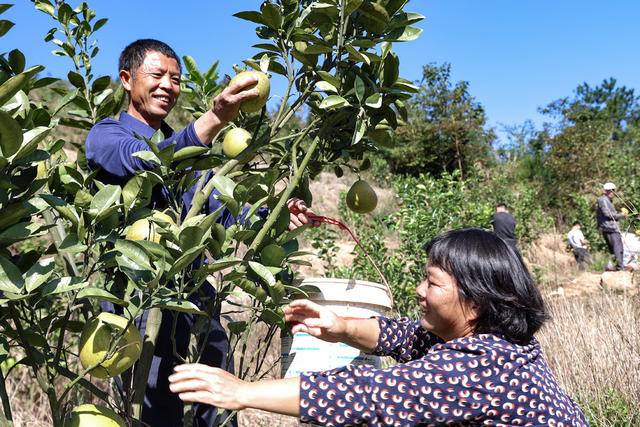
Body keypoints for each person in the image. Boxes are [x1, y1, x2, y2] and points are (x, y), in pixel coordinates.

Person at [85, 39, 318, 426]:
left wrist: (274, 216)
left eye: (175, 79)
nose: (167, 86)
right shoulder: (106, 135)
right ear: (127, 79)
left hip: (195, 300)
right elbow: (146, 163)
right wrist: (215, 119)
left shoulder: (190, 153)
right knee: (157, 407)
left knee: (214, 406)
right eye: (156, 75)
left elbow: (224, 214)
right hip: (140, 301)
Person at [168, 228, 589, 426]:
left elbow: (368, 393)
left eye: (432, 282)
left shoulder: (479, 371)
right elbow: (408, 336)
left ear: (474, 303)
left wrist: (244, 392)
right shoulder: (500, 340)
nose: (419, 290)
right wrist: (340, 325)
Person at [596, 182, 628, 271]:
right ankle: (620, 267)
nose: (612, 192)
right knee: (618, 248)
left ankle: (618, 266)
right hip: (610, 228)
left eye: (613, 190)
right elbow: (607, 214)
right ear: (605, 191)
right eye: (609, 190)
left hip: (608, 228)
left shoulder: (606, 200)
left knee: (613, 249)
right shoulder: (603, 200)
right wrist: (621, 215)